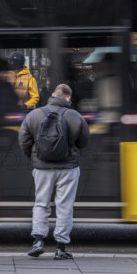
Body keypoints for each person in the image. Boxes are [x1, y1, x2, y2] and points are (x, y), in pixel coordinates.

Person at [18, 84, 89, 260]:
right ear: (68, 98)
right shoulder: (75, 115)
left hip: (42, 168)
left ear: (52, 95)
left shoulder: (34, 115)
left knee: (41, 203)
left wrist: (35, 158)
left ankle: (38, 241)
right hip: (68, 168)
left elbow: (23, 140)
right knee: (64, 206)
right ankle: (60, 248)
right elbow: (84, 141)